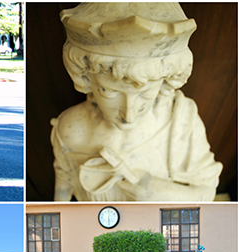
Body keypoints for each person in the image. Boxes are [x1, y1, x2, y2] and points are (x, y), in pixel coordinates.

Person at [51, 3, 222, 201]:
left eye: (146, 93)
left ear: (165, 81)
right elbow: (63, 186)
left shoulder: (181, 124)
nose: (128, 114)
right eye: (109, 92)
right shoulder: (70, 129)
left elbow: (207, 192)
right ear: (86, 79)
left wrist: (160, 193)